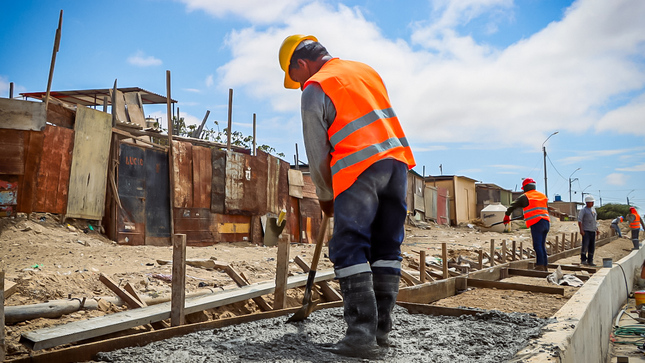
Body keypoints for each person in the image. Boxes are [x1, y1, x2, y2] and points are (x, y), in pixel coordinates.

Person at [279, 34, 415, 358]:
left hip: (359, 169)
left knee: (348, 245)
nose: (299, 85)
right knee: (385, 248)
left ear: (301, 64)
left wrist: (325, 196)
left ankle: (360, 337)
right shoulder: (365, 71)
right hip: (397, 166)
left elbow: (317, 152)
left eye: (295, 79)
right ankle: (380, 335)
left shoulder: (315, 88)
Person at [503, 178, 550, 271]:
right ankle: (544, 265)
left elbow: (512, 206)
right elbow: (536, 208)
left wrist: (506, 216)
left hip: (537, 223)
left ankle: (540, 266)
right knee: (542, 245)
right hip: (546, 222)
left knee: (537, 245)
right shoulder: (542, 195)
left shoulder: (525, 196)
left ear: (525, 187)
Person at [578, 196, 599, 266]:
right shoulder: (583, 210)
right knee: (585, 245)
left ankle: (590, 260)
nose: (592, 203)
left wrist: (597, 229)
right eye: (591, 202)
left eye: (593, 202)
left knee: (592, 246)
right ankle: (583, 260)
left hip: (592, 230)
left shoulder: (593, 210)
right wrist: (581, 230)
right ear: (587, 203)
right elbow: (580, 221)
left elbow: (594, 221)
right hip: (586, 230)